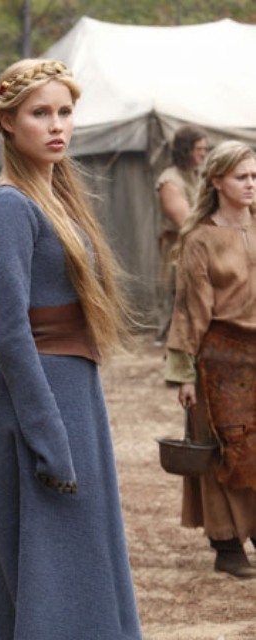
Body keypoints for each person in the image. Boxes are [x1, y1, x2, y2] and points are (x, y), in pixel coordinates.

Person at [0, 59, 142, 640]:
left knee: (82, 555)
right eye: (40, 113)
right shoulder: (9, 205)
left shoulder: (55, 196)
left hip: (73, 391)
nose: (57, 124)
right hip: (38, 402)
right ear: (8, 122)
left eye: (64, 112)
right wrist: (48, 436)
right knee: (54, 563)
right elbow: (10, 330)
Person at [165, 140, 256, 578]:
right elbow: (188, 310)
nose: (251, 184)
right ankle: (226, 543)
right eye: (242, 177)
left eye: (255, 176)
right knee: (225, 451)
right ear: (217, 181)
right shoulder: (201, 239)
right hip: (219, 359)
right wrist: (184, 374)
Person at [154, 125, 208, 345]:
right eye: (199, 149)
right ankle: (171, 340)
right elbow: (186, 222)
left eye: (204, 149)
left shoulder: (196, 174)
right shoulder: (170, 181)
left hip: (199, 245)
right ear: (186, 150)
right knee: (176, 295)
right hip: (178, 247)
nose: (203, 154)